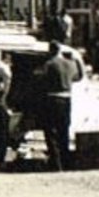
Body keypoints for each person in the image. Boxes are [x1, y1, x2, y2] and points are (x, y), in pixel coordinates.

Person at [40, 41, 82, 171]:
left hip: (52, 99)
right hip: (67, 99)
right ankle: (66, 162)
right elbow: (78, 77)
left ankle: (56, 164)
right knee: (64, 132)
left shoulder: (49, 64)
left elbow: (41, 79)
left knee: (51, 132)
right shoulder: (70, 64)